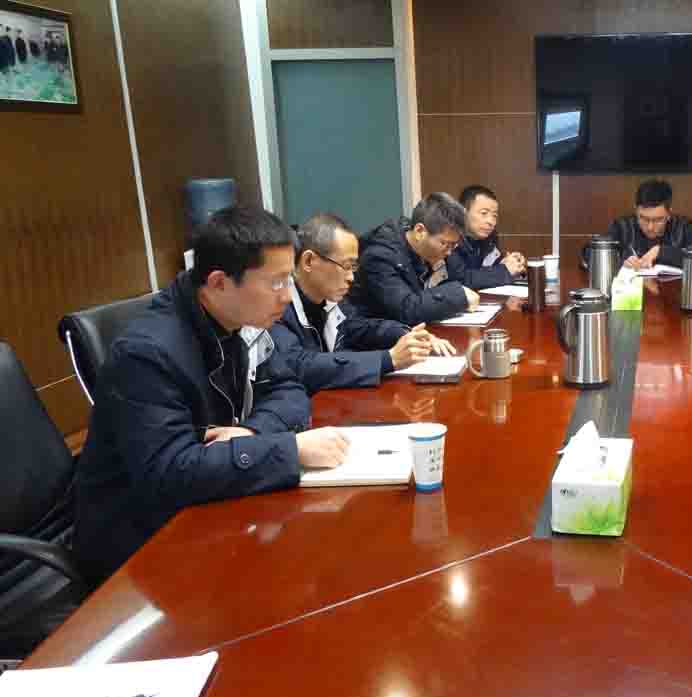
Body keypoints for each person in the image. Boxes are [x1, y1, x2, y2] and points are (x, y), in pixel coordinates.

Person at [73, 206, 350, 584]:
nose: (287, 296)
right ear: (219, 282)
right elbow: (169, 473)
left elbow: (288, 389)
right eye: (276, 282)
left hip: (206, 506)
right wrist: (290, 449)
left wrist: (252, 433)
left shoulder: (240, 319)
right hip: (138, 547)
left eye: (289, 280)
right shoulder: (146, 354)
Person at [272, 212, 456, 394]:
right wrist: (388, 359)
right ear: (308, 261)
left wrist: (407, 335)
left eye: (353, 267)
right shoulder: (276, 307)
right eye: (345, 266)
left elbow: (359, 327)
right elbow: (302, 365)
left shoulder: (330, 299)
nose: (351, 277)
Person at [344, 193, 481, 326]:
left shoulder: (425, 250)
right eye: (445, 243)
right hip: (372, 334)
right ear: (420, 231)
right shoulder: (380, 256)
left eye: (454, 245)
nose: (450, 252)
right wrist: (457, 295)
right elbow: (406, 309)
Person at [580, 179, 692, 271]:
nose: (650, 227)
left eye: (658, 220)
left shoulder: (683, 227)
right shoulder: (622, 226)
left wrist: (662, 252)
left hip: (673, 293)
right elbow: (589, 253)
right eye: (643, 218)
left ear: (669, 213)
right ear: (636, 210)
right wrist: (622, 259)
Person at [444, 185, 527, 291]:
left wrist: (510, 263)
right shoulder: (450, 238)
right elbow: (460, 280)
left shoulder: (489, 237)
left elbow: (490, 266)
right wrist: (504, 270)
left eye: (494, 216)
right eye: (484, 213)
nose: (491, 221)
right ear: (463, 213)